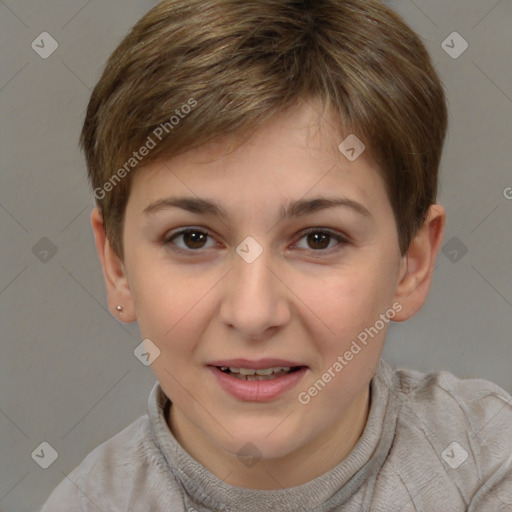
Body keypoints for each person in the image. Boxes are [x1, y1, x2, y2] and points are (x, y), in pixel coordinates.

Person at [40, 0, 512, 510]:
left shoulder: (486, 463)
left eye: (319, 239)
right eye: (193, 238)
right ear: (118, 269)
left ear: (411, 264)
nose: (253, 313)